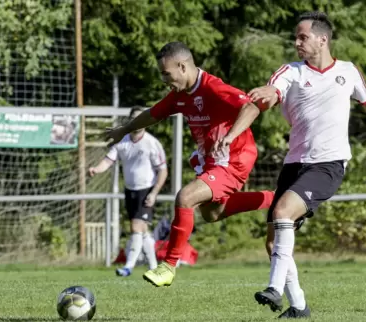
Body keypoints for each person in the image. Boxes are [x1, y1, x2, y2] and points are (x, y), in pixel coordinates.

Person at [214, 11, 366, 319]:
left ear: (322, 39)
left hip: (328, 165)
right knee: (273, 240)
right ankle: (299, 306)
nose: (296, 42)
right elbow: (267, 96)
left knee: (284, 212)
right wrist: (233, 133)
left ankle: (274, 288)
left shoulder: (348, 71)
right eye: (296, 37)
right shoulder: (292, 72)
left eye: (303, 37)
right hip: (294, 164)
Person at [104, 41, 275, 287]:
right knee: (212, 213)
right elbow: (153, 113)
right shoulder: (180, 96)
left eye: (166, 73)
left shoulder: (213, 87)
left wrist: (229, 137)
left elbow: (250, 107)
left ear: (182, 67)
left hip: (234, 158)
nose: (164, 79)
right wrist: (124, 129)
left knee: (185, 197)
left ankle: (168, 266)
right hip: (212, 160)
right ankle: (272, 198)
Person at [89, 106, 168, 277]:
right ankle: (154, 267)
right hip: (130, 190)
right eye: (134, 118)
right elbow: (108, 160)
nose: (138, 121)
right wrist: (96, 169)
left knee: (136, 227)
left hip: (146, 190)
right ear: (130, 121)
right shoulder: (122, 142)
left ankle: (128, 267)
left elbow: (163, 170)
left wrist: (154, 193)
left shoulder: (152, 143)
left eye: (141, 118)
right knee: (143, 230)